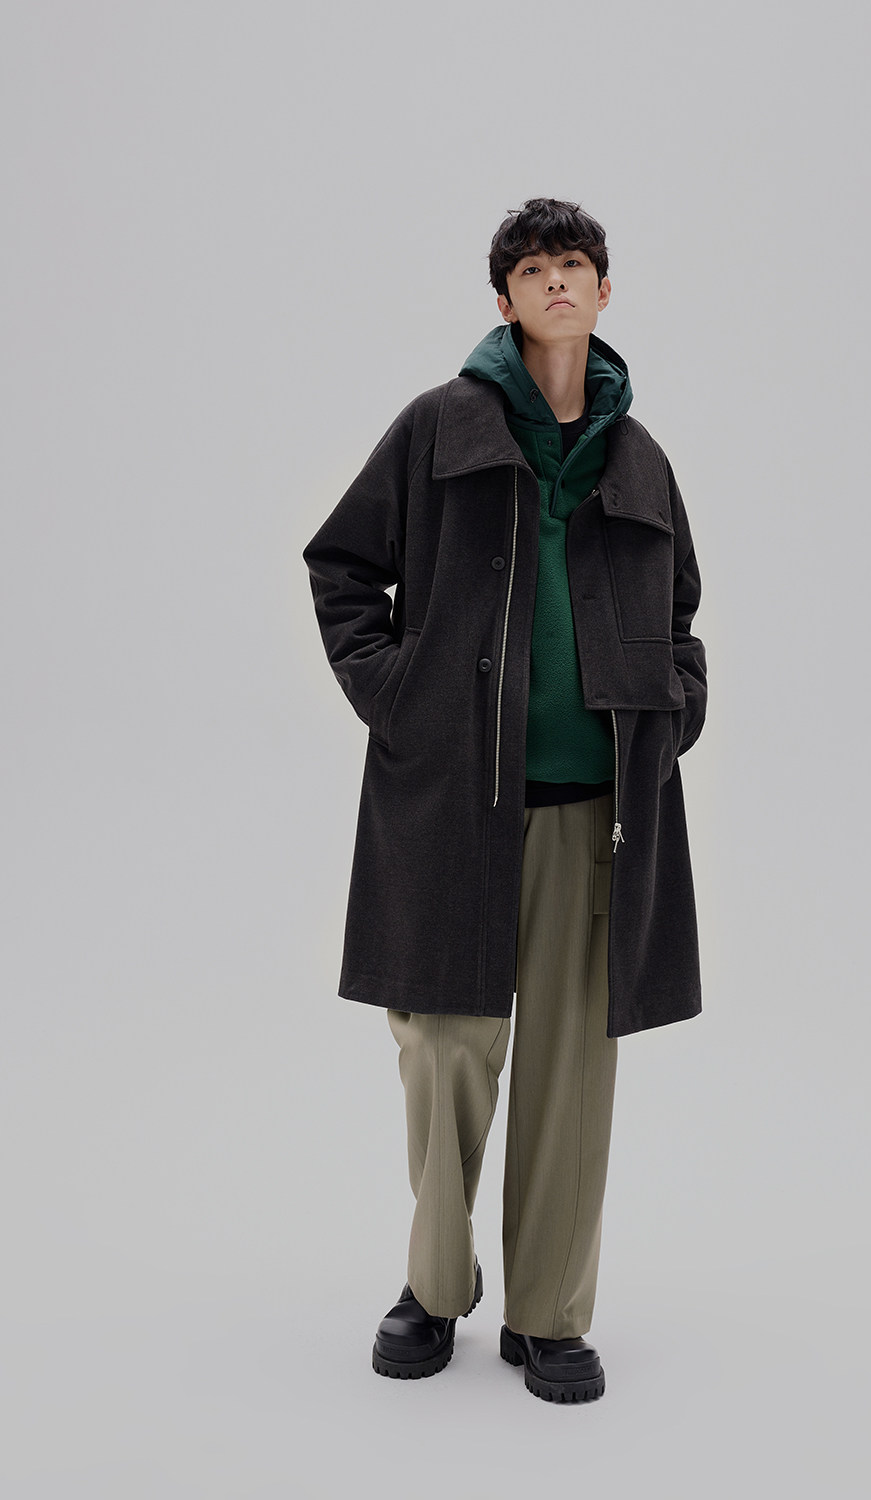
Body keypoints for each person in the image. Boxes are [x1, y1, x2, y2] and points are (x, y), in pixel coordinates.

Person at [302, 197, 708, 1404]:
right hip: (453, 807)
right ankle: (435, 1288)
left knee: (573, 1076)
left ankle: (549, 1315)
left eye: (574, 265)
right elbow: (341, 566)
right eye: (534, 270)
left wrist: (673, 711)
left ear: (603, 291)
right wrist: (399, 697)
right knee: (442, 1052)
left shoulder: (639, 457)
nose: (556, 283)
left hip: (597, 813)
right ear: (504, 299)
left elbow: (681, 612)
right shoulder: (441, 426)